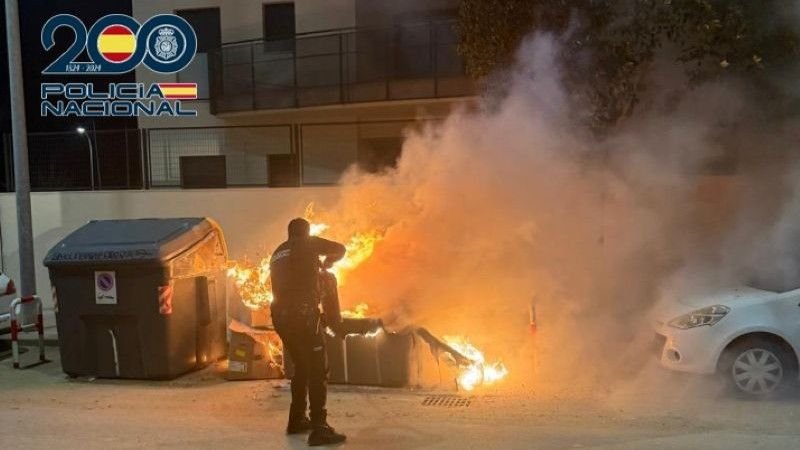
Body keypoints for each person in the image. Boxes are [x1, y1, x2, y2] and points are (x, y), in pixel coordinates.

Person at [270, 218, 347, 446]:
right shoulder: (308, 243)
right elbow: (340, 249)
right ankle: (320, 427)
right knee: (318, 369)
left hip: (280, 318)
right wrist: (329, 263)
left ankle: (296, 420)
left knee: (301, 367)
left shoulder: (278, 252)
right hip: (304, 316)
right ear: (306, 232)